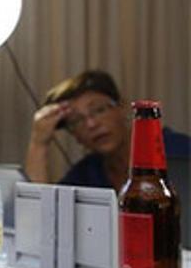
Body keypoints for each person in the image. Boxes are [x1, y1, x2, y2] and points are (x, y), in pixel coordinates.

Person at [25, 69, 190, 191]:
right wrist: (39, 143)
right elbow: (41, 213)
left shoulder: (178, 151)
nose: (91, 124)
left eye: (99, 110)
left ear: (122, 108)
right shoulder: (87, 174)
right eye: (77, 121)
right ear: (75, 136)